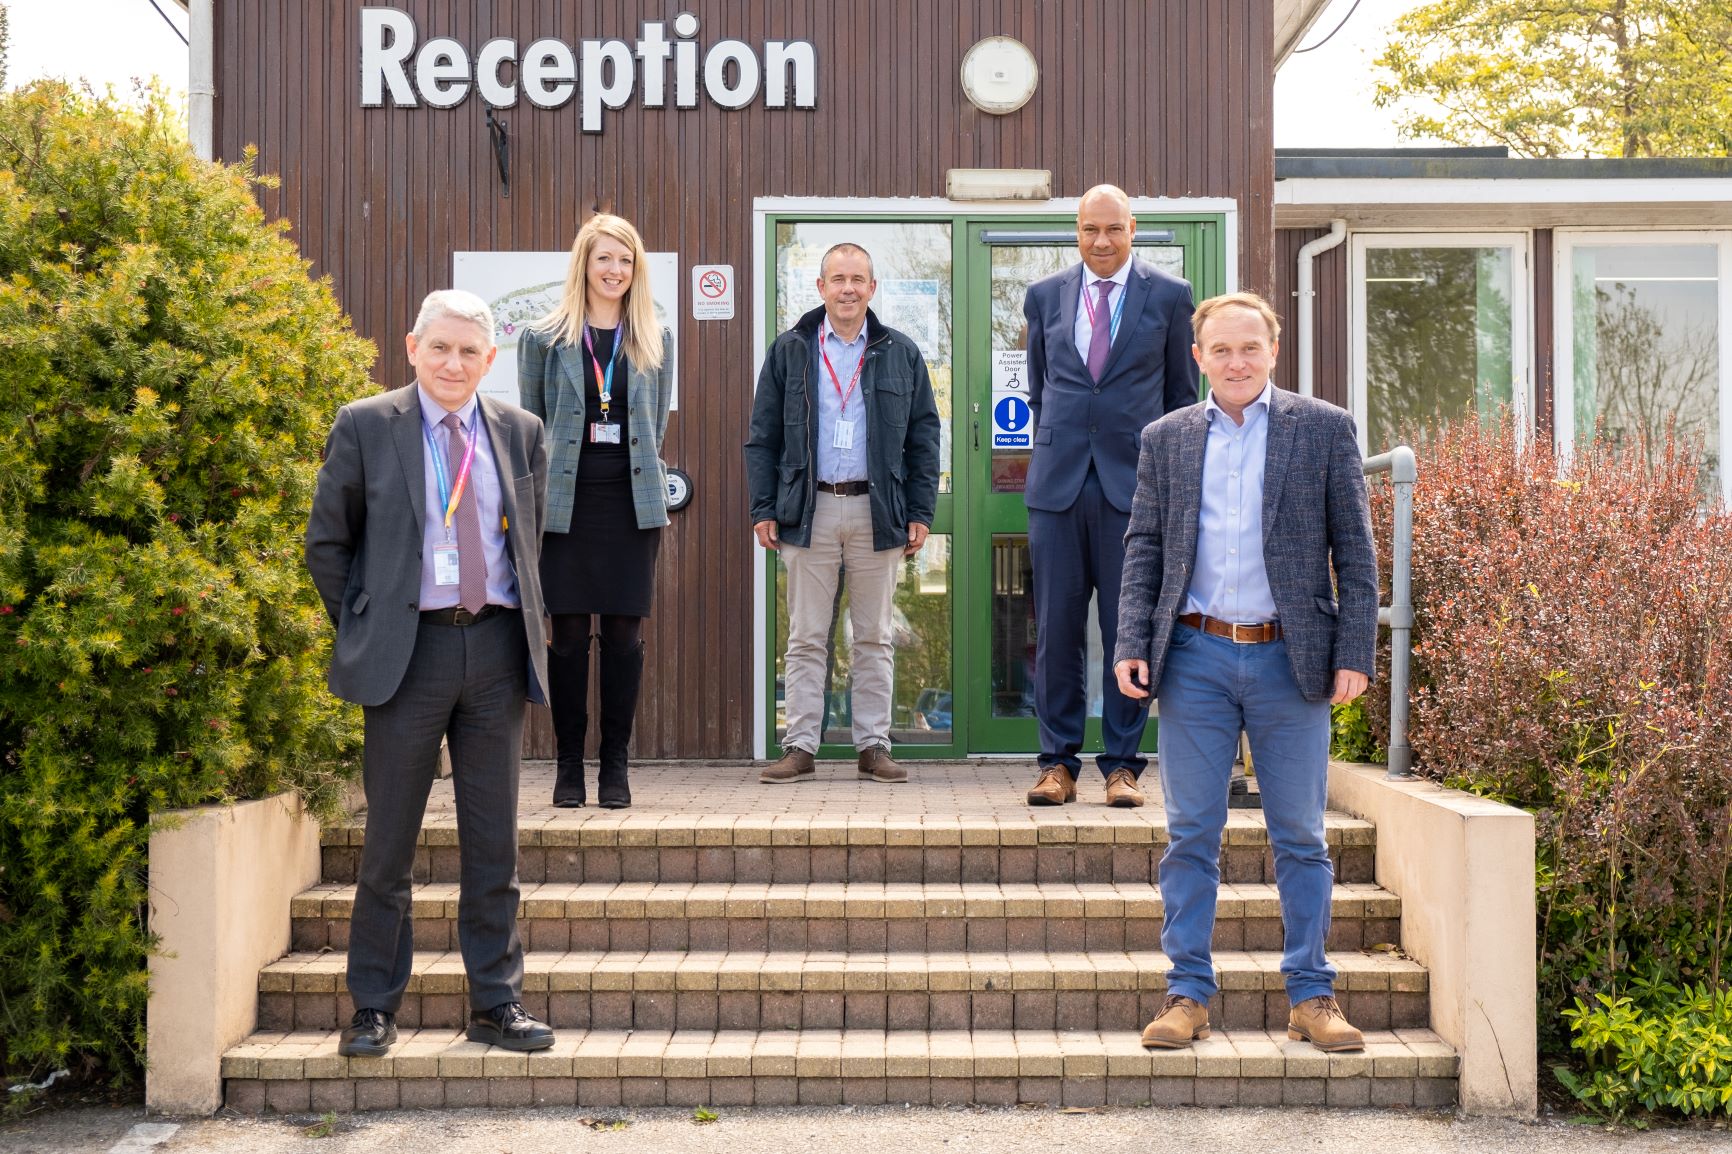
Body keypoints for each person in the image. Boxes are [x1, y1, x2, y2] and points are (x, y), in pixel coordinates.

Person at [1113, 291, 1377, 1053]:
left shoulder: (1324, 430)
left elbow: (1355, 555)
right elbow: (1144, 549)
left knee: (1300, 835)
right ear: (1198, 358)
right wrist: (1134, 639)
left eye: (1249, 349)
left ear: (1273, 352)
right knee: (1192, 831)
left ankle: (1312, 996)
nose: (1236, 362)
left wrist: (1355, 652)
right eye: (1220, 350)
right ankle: (1187, 995)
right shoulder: (1166, 439)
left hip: (1290, 658)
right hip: (1193, 657)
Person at [306, 289, 555, 1058]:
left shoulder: (521, 432)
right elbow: (327, 544)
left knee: (495, 846)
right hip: (405, 655)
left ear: (489, 360)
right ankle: (374, 1008)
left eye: (469, 352)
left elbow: (530, 542)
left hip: (493, 649)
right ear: (412, 348)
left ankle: (495, 1005)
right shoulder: (366, 424)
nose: (454, 364)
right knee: (388, 846)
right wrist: (367, 624)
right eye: (440, 348)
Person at [1020, 183, 1198, 809]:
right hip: (1058, 487)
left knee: (1131, 632)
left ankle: (1122, 768)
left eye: (1113, 229)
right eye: (1091, 229)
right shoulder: (1044, 296)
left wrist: (1174, 486)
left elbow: (1180, 396)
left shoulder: (1171, 298)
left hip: (1137, 489)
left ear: (1132, 228)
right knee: (1057, 631)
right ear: (1077, 229)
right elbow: (1045, 392)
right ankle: (1055, 764)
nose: (1102, 241)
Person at [745, 242, 941, 784]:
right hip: (810, 509)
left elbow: (925, 436)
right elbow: (762, 438)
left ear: (872, 288)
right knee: (807, 635)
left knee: (874, 634)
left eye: (858, 279)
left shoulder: (900, 352)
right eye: (838, 279)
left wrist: (919, 509)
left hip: (877, 510)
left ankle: (873, 745)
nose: (848, 288)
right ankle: (801, 745)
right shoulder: (790, 351)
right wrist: (764, 507)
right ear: (821, 288)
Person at [518, 214, 674, 809]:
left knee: (624, 638)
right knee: (567, 637)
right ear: (583, 263)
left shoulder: (655, 338)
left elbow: (654, 427)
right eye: (605, 258)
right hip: (566, 506)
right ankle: (567, 767)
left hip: (630, 507)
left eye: (626, 261)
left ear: (637, 272)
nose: (615, 271)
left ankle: (615, 766)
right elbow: (533, 426)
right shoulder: (543, 338)